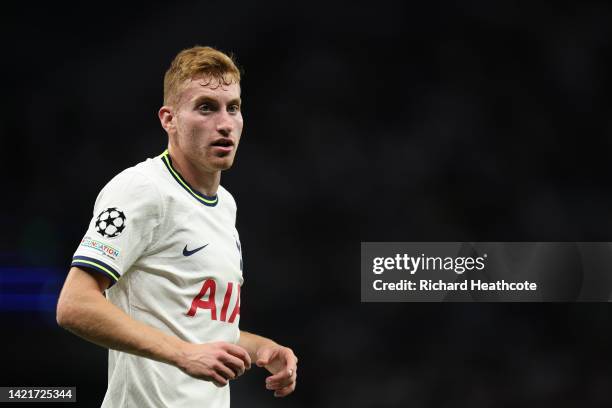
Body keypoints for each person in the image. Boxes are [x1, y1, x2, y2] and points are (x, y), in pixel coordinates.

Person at [56, 45, 298, 407]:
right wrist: (183, 354)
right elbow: (74, 305)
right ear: (169, 119)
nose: (224, 122)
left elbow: (198, 330)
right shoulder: (142, 189)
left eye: (233, 107)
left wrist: (261, 347)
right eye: (206, 107)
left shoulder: (225, 206)